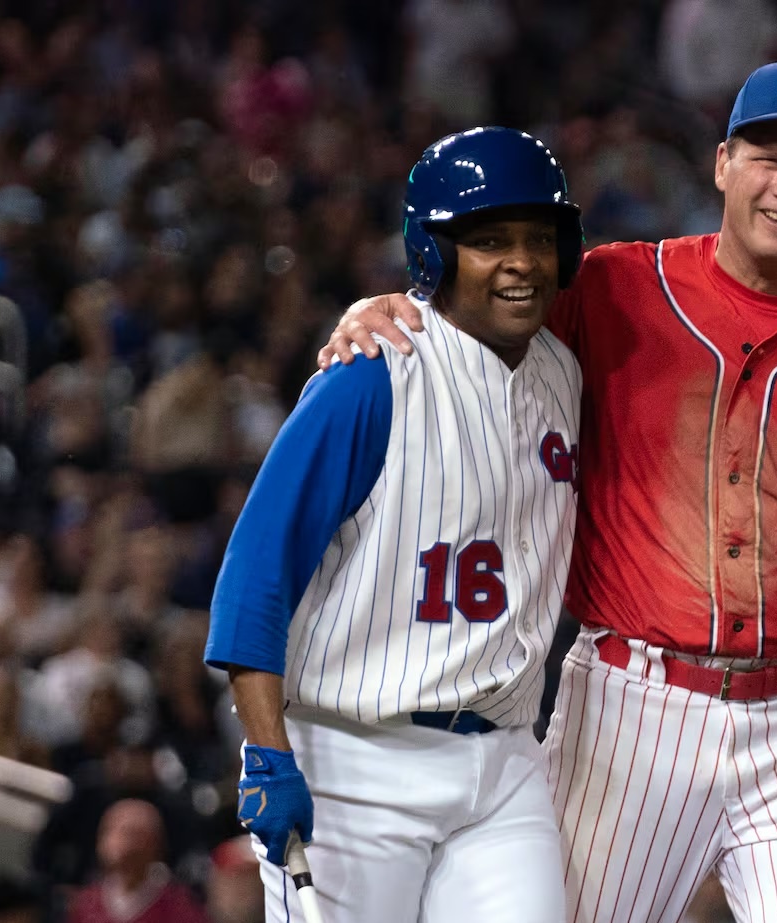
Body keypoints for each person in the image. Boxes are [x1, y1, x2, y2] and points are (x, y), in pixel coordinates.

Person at [321, 60, 777, 922]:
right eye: (767, 158)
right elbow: (478, 317)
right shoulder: (614, 287)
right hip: (627, 706)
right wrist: (391, 305)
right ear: (722, 162)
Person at [204, 126, 585, 922]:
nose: (521, 260)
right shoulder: (372, 377)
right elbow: (255, 572)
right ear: (434, 254)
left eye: (538, 239)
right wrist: (267, 750)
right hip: (356, 760)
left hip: (507, 763)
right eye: (488, 241)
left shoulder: (564, 371)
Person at [64, 799, 209, 923]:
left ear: (155, 844)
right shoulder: (87, 902)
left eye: (131, 834)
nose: (116, 842)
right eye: (110, 831)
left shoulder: (177, 905)